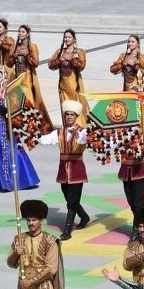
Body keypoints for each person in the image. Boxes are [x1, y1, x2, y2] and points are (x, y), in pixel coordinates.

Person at [0, 69, 40, 193]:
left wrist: (2, 99)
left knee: (9, 153)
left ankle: (12, 182)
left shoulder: (8, 92)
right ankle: (1, 181)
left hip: (4, 129)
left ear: (4, 79)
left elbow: (12, 109)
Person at [109, 34, 144, 150]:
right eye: (129, 41)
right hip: (126, 89)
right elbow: (112, 69)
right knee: (127, 114)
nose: (130, 43)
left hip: (137, 89)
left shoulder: (142, 57)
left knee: (140, 115)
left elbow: (143, 72)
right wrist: (123, 63)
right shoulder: (123, 56)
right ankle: (128, 140)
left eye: (132, 41)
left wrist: (134, 65)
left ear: (137, 44)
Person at [48, 100, 88, 237]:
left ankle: (67, 229)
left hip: (77, 171)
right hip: (63, 171)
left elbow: (84, 139)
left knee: (71, 203)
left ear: (76, 116)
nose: (69, 117)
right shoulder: (59, 132)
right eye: (67, 114)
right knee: (70, 199)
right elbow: (45, 139)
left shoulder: (82, 131)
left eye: (72, 114)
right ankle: (84, 216)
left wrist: (78, 136)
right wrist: (28, 134)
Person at [12, 25, 52, 134]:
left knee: (28, 102)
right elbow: (9, 63)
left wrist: (27, 55)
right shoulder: (15, 46)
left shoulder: (32, 47)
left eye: (23, 32)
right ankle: (21, 127)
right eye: (19, 31)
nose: (20, 33)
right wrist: (14, 56)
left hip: (27, 78)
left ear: (27, 34)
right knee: (19, 103)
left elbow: (36, 63)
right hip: (17, 78)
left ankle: (32, 127)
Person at [47, 28, 89, 123]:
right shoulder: (60, 51)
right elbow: (50, 65)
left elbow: (82, 66)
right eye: (65, 37)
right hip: (63, 87)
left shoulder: (79, 51)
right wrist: (59, 60)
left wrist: (71, 59)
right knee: (66, 110)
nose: (67, 39)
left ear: (74, 39)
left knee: (77, 108)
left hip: (75, 87)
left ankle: (79, 128)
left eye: (69, 37)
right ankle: (67, 129)